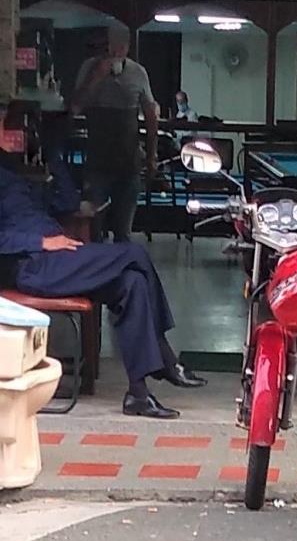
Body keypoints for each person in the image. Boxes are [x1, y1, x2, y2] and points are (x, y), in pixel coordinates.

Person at [0, 157, 205, 419]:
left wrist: (54, 154)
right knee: (134, 253)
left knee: (132, 283)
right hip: (32, 265)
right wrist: (40, 242)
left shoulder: (25, 173)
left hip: (60, 259)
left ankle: (138, 394)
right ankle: (167, 358)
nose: (14, 138)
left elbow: (69, 202)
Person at [72, 25, 158, 243]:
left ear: (127, 48)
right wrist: (96, 77)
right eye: (112, 45)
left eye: (121, 46)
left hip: (128, 164)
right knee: (92, 229)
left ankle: (121, 263)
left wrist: (151, 155)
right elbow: (76, 106)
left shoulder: (138, 73)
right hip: (98, 163)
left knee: (123, 232)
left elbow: (150, 115)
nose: (116, 51)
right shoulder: (89, 68)